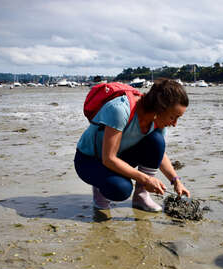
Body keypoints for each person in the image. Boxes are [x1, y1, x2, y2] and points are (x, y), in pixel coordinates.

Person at [74, 78, 190, 212]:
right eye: (173, 117)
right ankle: (101, 189)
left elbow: (159, 153)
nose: (175, 124)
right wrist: (146, 180)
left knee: (157, 141)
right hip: (90, 161)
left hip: (119, 155)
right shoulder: (120, 110)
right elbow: (109, 158)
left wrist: (176, 181)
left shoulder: (158, 119)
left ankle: (141, 196)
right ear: (159, 108)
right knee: (121, 189)